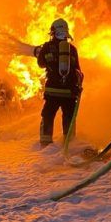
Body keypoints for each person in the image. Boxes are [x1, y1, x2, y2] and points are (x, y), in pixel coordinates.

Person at [33, 18, 83, 147]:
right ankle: (69, 144)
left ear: (53, 32)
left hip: (52, 92)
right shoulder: (72, 49)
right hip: (69, 92)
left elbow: (41, 64)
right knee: (69, 117)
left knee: (48, 115)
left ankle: (45, 143)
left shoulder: (47, 47)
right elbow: (78, 71)